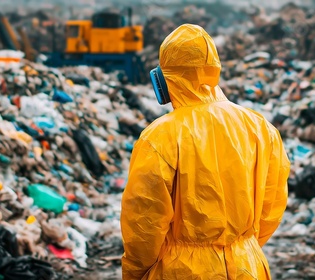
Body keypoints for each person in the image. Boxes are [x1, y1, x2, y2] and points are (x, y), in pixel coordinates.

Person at [120, 24, 290, 280]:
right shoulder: (259, 126)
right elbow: (272, 207)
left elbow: (144, 222)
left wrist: (134, 273)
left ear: (164, 78)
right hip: (247, 266)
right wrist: (241, 247)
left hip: (183, 271)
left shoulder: (160, 136)